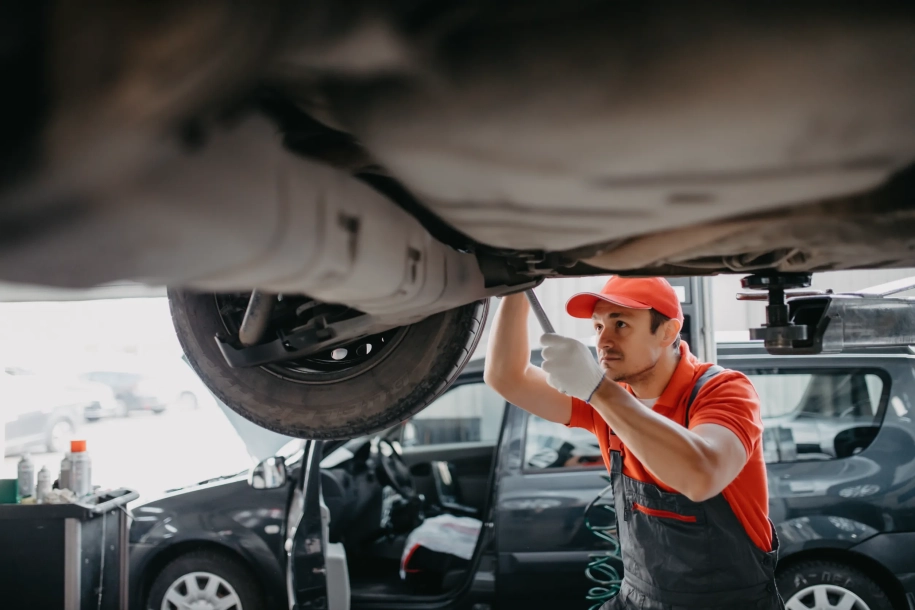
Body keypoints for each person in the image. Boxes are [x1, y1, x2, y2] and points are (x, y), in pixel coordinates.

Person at [484, 276, 784, 609]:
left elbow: (702, 477)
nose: (603, 341)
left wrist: (598, 390)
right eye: (598, 327)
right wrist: (518, 286)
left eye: (621, 324)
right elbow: (506, 377)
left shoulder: (723, 390)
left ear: (668, 332)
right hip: (638, 598)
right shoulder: (609, 399)